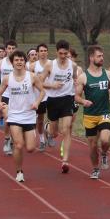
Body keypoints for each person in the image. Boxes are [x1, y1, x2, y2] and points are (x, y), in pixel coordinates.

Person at [0, 49, 44, 183]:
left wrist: (37, 102)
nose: (19, 62)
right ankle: (19, 172)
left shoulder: (32, 76)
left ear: (25, 62)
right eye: (16, 60)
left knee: (30, 148)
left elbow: (42, 91)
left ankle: (26, 136)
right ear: (12, 62)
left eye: (21, 60)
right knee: (18, 145)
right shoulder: (7, 78)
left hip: (29, 115)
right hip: (14, 115)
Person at [76, 45, 110, 179]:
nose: (102, 58)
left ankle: (104, 153)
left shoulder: (108, 74)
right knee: (93, 146)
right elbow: (76, 97)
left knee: (105, 140)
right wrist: (83, 101)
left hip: (104, 113)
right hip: (89, 115)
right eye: (99, 56)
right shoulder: (83, 77)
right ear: (91, 58)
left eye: (102, 56)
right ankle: (95, 169)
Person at [44, 40, 78, 174]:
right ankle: (47, 128)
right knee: (54, 133)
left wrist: (76, 83)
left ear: (68, 52)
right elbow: (39, 81)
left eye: (65, 53)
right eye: (60, 53)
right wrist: (52, 85)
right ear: (56, 52)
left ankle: (65, 161)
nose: (63, 56)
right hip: (53, 100)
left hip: (67, 99)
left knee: (67, 129)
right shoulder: (50, 65)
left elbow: (75, 78)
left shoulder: (73, 65)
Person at [0, 40, 17, 155]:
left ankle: (12, 139)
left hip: (17, 96)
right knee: (8, 118)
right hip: (5, 95)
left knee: (16, 120)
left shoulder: (20, 62)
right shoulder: (0, 63)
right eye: (9, 48)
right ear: (6, 49)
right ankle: (7, 139)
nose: (11, 50)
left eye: (13, 48)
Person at [32, 44, 53, 151]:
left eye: (45, 50)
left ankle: (49, 133)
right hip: (39, 96)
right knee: (40, 120)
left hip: (52, 95)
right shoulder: (33, 66)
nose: (43, 52)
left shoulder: (53, 64)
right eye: (41, 51)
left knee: (53, 119)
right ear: (37, 53)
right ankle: (42, 140)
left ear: (47, 52)